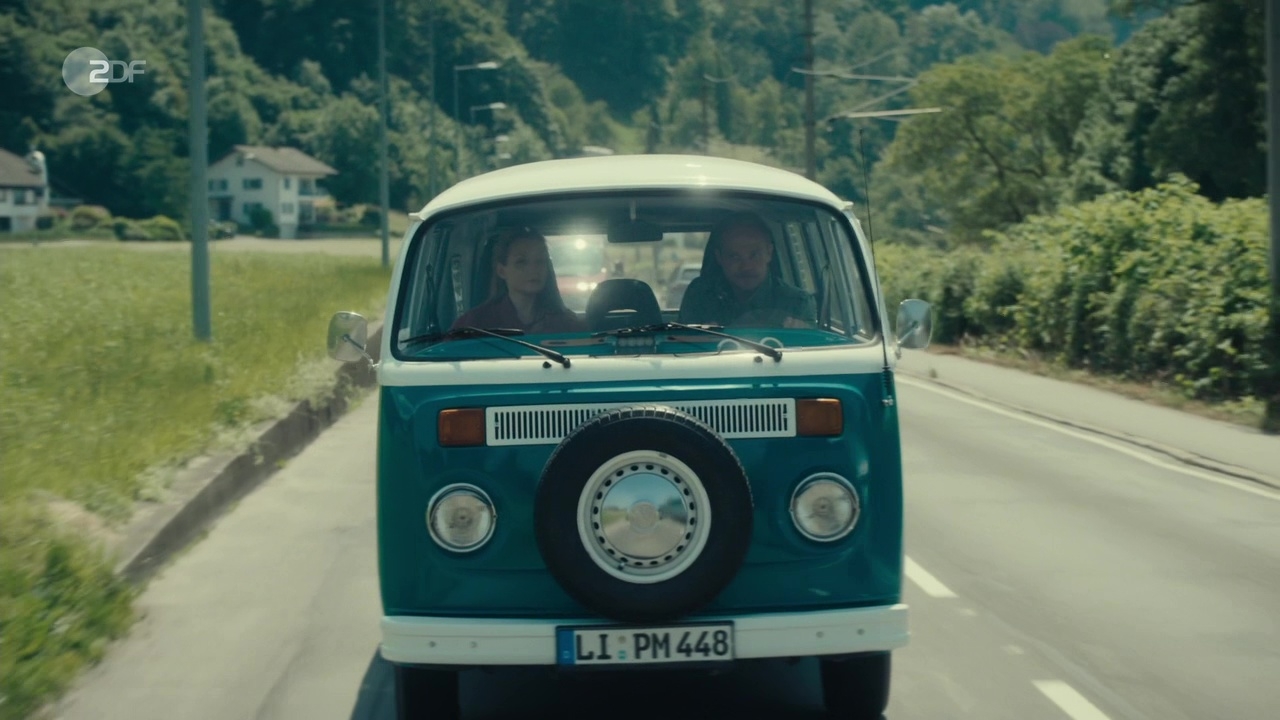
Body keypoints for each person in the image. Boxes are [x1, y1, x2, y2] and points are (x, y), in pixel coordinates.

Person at [678, 212, 816, 328]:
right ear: (719, 258)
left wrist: (802, 334)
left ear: (769, 253)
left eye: (754, 255)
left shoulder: (796, 303)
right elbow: (681, 346)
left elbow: (811, 350)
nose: (746, 266)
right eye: (734, 257)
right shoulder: (700, 296)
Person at [451, 227, 587, 334]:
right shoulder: (475, 324)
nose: (533, 269)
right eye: (521, 262)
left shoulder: (565, 323)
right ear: (502, 271)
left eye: (540, 261)